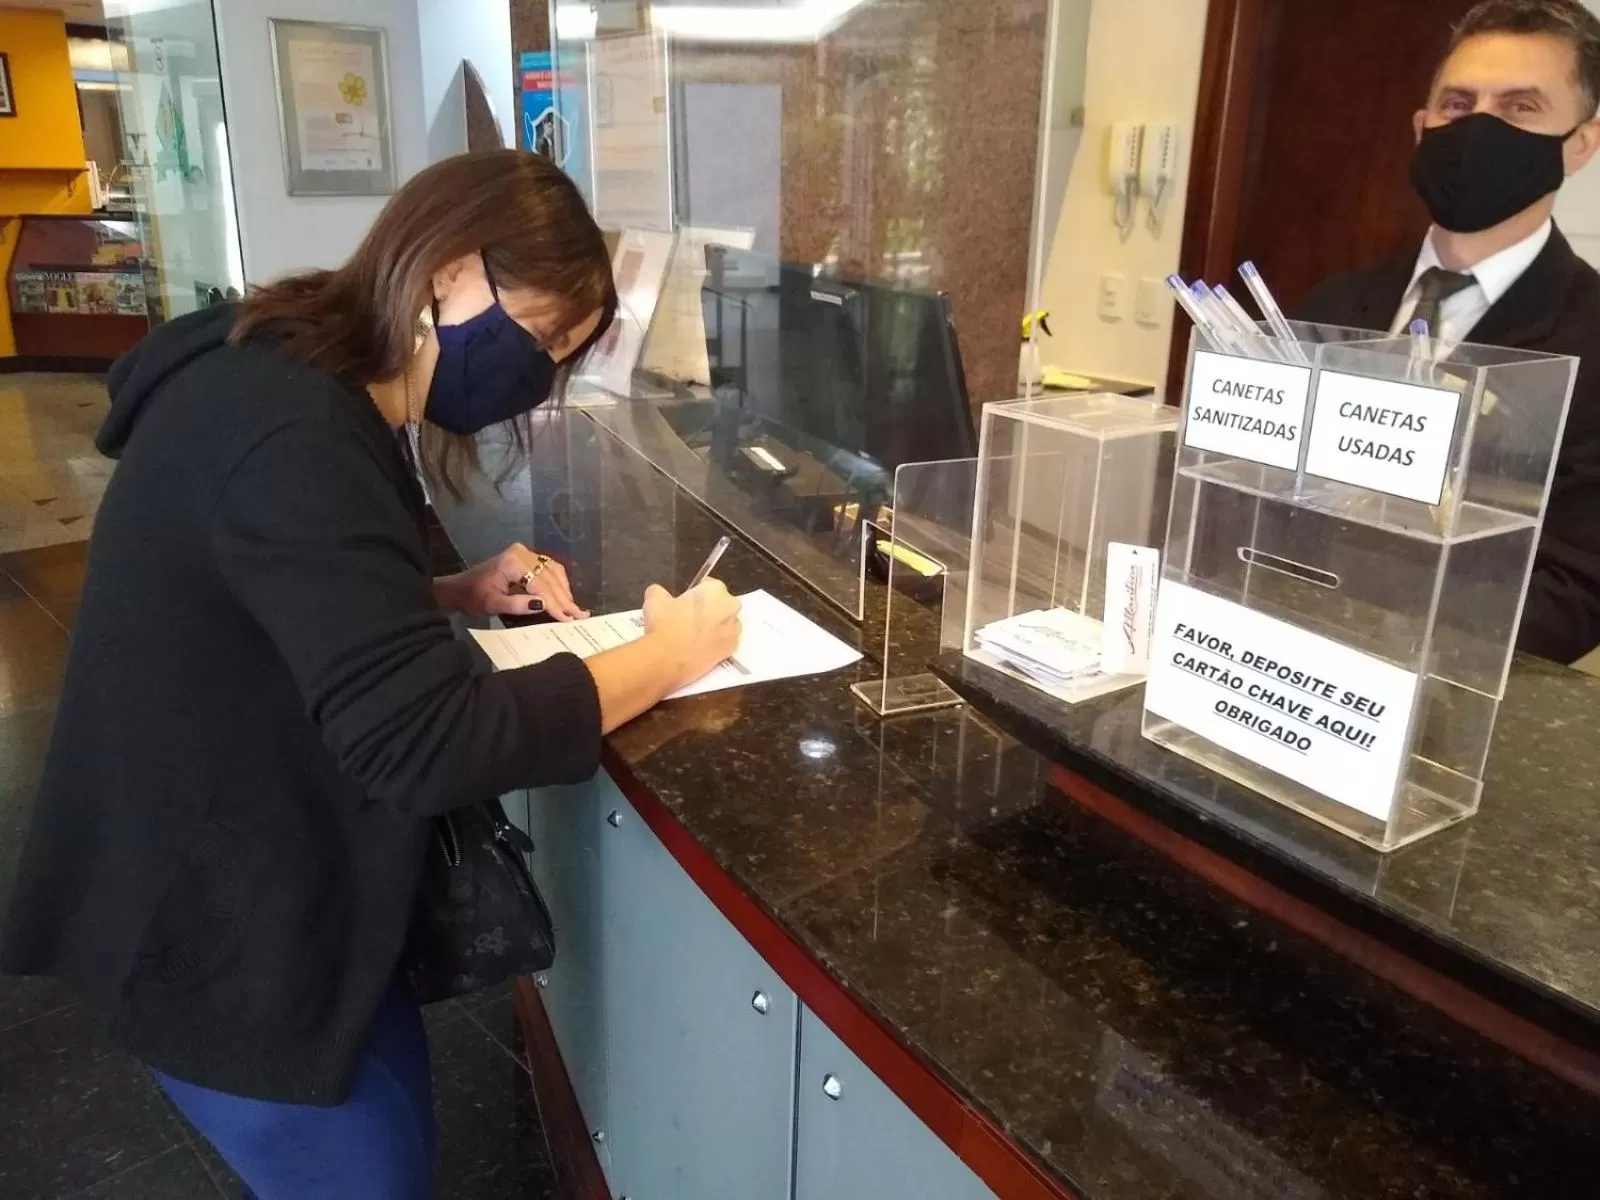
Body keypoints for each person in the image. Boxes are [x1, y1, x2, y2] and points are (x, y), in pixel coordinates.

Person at [0, 150, 742, 1198]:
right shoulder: (295, 430)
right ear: (447, 266)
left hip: (251, 875)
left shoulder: (282, 372)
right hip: (214, 927)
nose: (529, 374)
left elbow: (262, 581)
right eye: (536, 339)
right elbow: (428, 743)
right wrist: (667, 654)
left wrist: (446, 590)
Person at [1299, 0, 1600, 665]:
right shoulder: (1332, 305)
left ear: (1580, 143)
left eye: (1521, 107)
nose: (1479, 129)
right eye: (1458, 105)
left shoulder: (1592, 337)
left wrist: (1362, 601)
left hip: (1454, 707)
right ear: (1421, 127)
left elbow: (1572, 597)